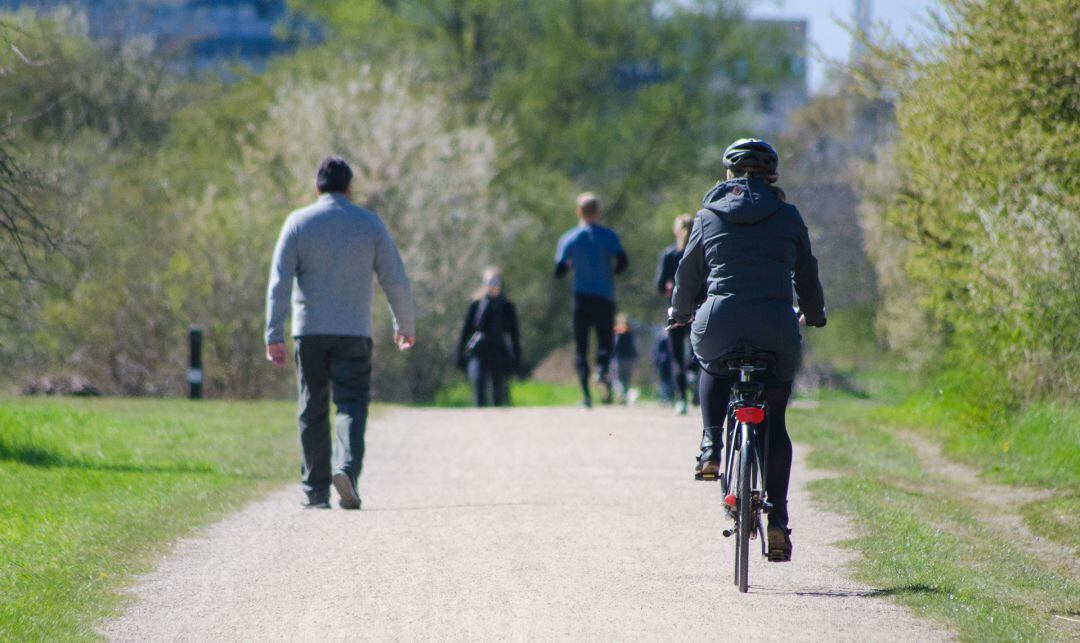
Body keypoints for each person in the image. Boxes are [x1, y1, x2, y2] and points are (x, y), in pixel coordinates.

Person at [669, 138, 826, 562]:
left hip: (720, 323)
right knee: (775, 421)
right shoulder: (788, 216)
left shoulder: (707, 215)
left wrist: (679, 313)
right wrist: (814, 313)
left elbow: (687, 276)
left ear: (728, 174)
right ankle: (777, 519)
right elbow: (806, 275)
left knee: (711, 363)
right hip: (776, 328)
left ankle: (711, 446)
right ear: (772, 176)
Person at [265, 156, 415, 511]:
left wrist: (274, 333)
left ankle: (316, 492)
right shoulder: (369, 224)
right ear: (349, 188)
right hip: (353, 332)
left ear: (317, 188)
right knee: (351, 404)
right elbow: (394, 277)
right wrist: (405, 325)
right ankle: (346, 469)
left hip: (310, 331)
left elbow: (279, 282)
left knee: (311, 407)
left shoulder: (298, 222)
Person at [554, 192, 628, 408]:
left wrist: (571, 265)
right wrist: (611, 271)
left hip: (581, 298)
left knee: (581, 346)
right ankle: (601, 369)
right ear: (599, 212)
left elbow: (558, 271)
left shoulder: (569, 238)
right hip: (604, 296)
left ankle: (586, 396)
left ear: (578, 212)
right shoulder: (609, 236)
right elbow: (623, 261)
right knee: (605, 341)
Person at [456, 267, 522, 407]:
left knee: (499, 390)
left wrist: (517, 360)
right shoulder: (476, 305)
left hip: (499, 350)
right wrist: (460, 354)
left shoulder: (507, 306)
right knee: (478, 382)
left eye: (496, 282)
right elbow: (466, 331)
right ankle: (480, 419)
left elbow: (514, 335)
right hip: (479, 350)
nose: (493, 286)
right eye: (490, 282)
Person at [655, 214, 701, 415]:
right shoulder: (701, 252)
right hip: (698, 309)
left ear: (676, 230)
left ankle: (681, 398)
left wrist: (668, 287)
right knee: (698, 350)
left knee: (676, 356)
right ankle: (693, 375)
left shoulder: (669, 255)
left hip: (675, 310)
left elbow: (659, 286)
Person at [611, 314, 638, 405]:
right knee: (626, 379)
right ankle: (624, 397)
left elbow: (615, 345)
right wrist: (635, 357)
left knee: (617, 378)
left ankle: (622, 393)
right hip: (629, 359)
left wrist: (612, 354)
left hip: (619, 358)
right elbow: (633, 346)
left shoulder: (618, 331)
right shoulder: (630, 332)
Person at [651, 329, 675, 404]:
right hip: (663, 365)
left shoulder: (665, 340)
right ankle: (664, 398)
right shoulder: (662, 340)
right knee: (664, 382)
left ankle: (667, 398)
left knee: (667, 382)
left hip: (668, 365)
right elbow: (656, 354)